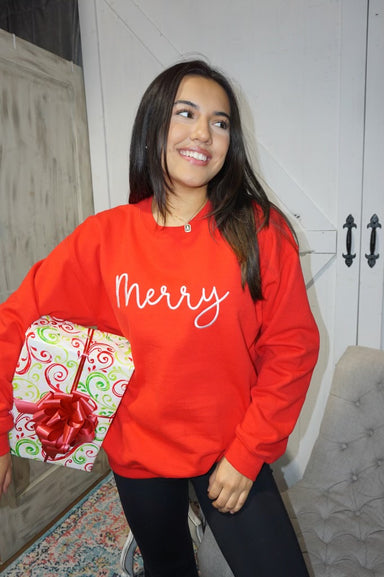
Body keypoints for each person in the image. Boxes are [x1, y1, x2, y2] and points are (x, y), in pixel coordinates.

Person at [0, 59, 319, 577]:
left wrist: (247, 454)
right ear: (153, 127)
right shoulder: (106, 237)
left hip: (231, 450)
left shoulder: (259, 229)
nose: (204, 132)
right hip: (140, 459)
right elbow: (15, 323)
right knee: (168, 568)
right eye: (186, 113)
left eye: (220, 122)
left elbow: (293, 347)